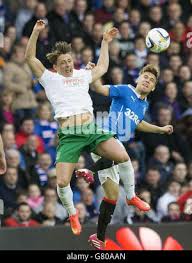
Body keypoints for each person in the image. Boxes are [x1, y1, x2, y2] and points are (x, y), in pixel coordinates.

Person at [25, 19, 134, 237]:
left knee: (122, 155)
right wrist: (36, 32)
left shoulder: (83, 75)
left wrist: (105, 42)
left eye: (68, 60)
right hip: (69, 134)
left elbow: (103, 67)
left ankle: (132, 195)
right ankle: (72, 214)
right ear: (55, 66)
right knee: (63, 181)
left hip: (90, 128)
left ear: (72, 60)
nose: (66, 64)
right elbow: (29, 58)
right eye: (62, 62)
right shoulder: (50, 78)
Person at [77, 64, 173, 249]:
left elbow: (138, 123)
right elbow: (98, 88)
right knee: (125, 159)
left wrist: (160, 129)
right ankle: (130, 195)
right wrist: (93, 73)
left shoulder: (143, 104)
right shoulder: (124, 90)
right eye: (145, 77)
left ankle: (99, 237)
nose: (147, 80)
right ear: (138, 78)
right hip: (104, 136)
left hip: (111, 149)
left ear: (153, 88)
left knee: (112, 195)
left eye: (151, 80)